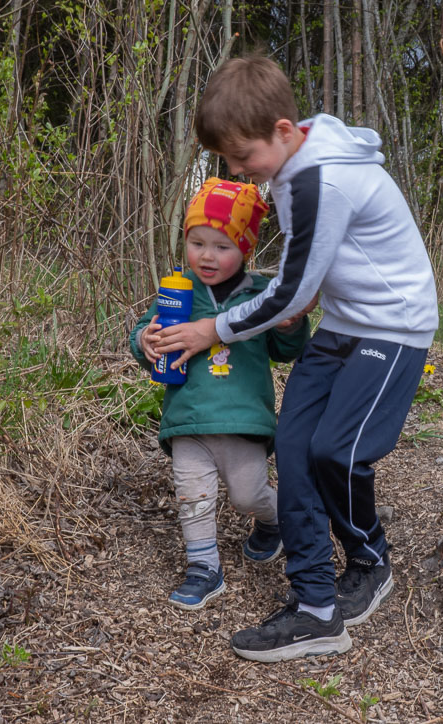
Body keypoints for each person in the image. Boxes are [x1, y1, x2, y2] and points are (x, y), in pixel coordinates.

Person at [151, 55, 439, 661]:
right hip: (343, 324)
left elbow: (293, 292)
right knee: (296, 446)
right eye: (228, 161)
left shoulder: (319, 178)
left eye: (241, 157)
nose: (238, 171)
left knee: (337, 449)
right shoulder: (289, 168)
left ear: (284, 130)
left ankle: (367, 558)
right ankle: (314, 608)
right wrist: (280, 303)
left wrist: (215, 330)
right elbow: (300, 271)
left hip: (394, 325)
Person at [131, 178, 310, 611]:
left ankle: (272, 523)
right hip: (188, 418)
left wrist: (289, 325)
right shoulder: (177, 293)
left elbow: (287, 352)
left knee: (248, 494)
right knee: (192, 494)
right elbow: (145, 333)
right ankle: (203, 567)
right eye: (197, 243)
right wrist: (145, 342)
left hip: (243, 420)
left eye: (222, 246)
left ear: (245, 249)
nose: (207, 256)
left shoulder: (261, 295)